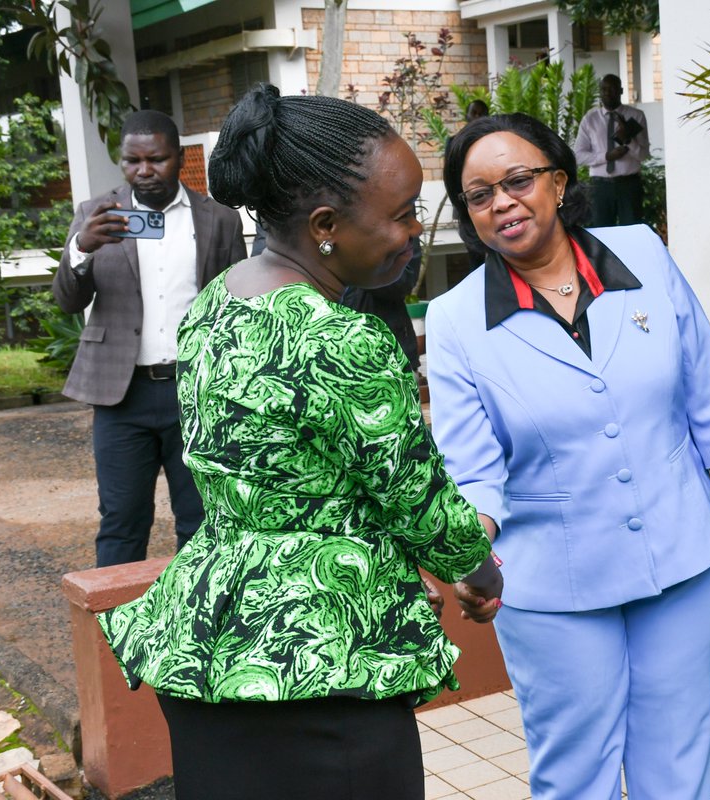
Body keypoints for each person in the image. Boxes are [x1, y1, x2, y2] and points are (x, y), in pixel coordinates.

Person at [97, 84, 503, 800]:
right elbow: (419, 502)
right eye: (403, 214)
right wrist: (480, 571)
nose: (415, 231)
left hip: (211, 648)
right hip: (319, 667)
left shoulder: (216, 304)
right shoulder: (341, 339)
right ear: (325, 225)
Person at [428, 113, 710, 799]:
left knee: (678, 768)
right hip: (553, 587)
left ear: (558, 180)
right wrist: (472, 555)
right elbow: (473, 468)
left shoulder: (642, 251)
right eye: (481, 195)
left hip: (682, 561)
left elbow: (707, 396)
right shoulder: (458, 318)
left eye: (518, 181)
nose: (503, 203)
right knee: (576, 776)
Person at [53, 110, 247, 568]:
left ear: (179, 158)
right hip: (122, 396)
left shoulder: (218, 219)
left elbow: (238, 309)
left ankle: (195, 629)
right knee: (122, 520)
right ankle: (114, 636)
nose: (144, 170)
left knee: (202, 520)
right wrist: (81, 248)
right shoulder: (94, 215)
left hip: (196, 393)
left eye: (156, 159)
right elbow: (66, 300)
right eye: (132, 161)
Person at [573, 74, 649, 227]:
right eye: (604, 89)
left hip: (628, 185)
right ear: (599, 92)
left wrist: (628, 140)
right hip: (600, 187)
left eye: (612, 89)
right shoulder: (590, 119)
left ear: (621, 91)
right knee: (601, 235)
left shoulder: (636, 116)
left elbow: (643, 155)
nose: (607, 93)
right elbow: (578, 156)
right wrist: (607, 156)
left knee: (632, 232)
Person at [341, 236, 422, 370]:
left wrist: (360, 258)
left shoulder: (398, 227)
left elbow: (404, 282)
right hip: (338, 354)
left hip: (390, 356)